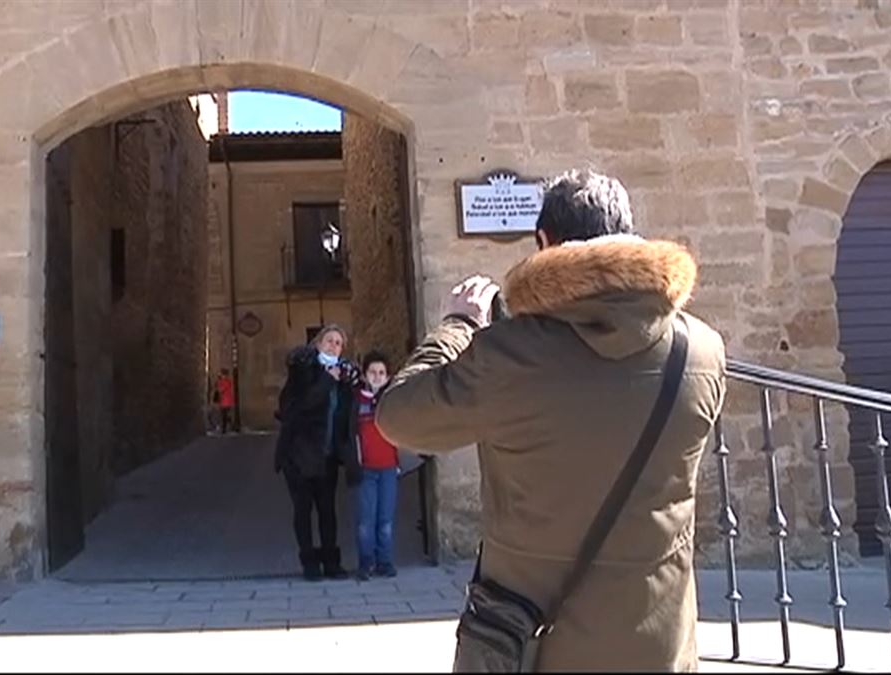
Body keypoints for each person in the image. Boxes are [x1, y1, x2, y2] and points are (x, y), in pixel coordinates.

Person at [376, 169, 726, 671]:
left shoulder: (509, 356)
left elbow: (399, 416)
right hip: (658, 645)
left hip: (532, 645)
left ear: (545, 243)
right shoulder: (703, 352)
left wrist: (459, 327)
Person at [273, 325, 361, 581]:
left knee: (327, 510)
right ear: (318, 344)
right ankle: (309, 562)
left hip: (327, 455)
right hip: (299, 456)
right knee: (303, 509)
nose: (334, 346)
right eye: (330, 341)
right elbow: (299, 406)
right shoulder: (303, 371)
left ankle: (331, 562)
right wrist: (327, 380)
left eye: (339, 343)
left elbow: (347, 414)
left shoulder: (343, 377)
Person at [350, 351, 400, 581]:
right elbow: (351, 433)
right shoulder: (357, 400)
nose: (377, 376)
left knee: (385, 519)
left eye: (381, 372)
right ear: (365, 374)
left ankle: (385, 561)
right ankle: (366, 562)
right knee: (365, 520)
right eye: (373, 372)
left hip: (389, 468)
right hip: (366, 469)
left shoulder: (393, 400)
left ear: (388, 376)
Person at [213, 369, 235, 434]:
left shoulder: (226, 382)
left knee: (224, 415)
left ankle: (225, 428)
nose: (221, 376)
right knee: (224, 415)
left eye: (222, 374)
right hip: (223, 401)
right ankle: (228, 426)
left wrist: (218, 386)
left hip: (226, 401)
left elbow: (221, 389)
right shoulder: (222, 381)